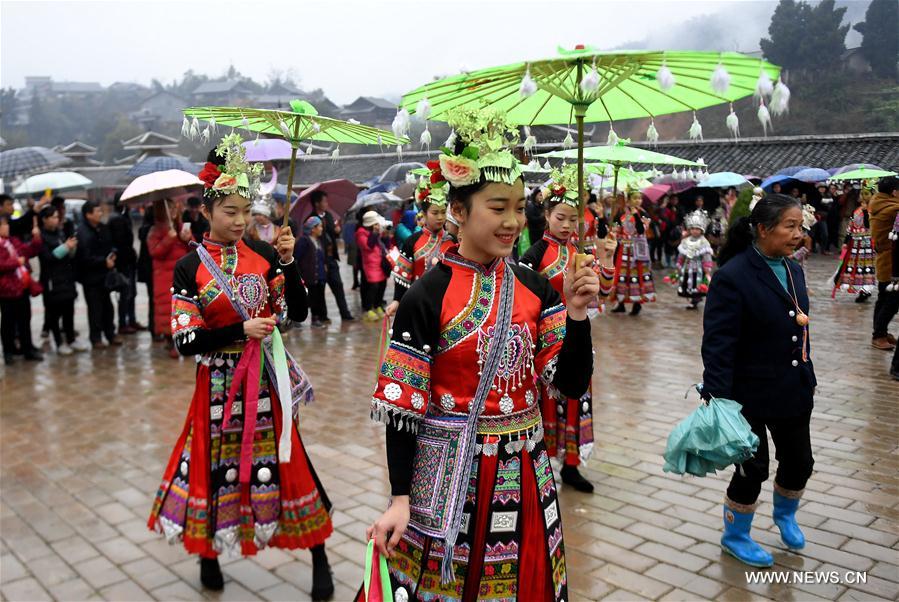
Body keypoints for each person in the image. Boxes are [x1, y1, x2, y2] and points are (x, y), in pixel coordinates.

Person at [365, 107, 597, 601]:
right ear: (460, 210)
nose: (514, 221)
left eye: (518, 206)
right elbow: (402, 411)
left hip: (525, 471)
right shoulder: (425, 296)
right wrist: (400, 498)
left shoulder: (538, 289)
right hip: (450, 476)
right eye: (498, 207)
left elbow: (571, 384)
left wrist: (577, 314)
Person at [147, 135, 334, 600]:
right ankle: (208, 554)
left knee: (290, 463)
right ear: (207, 212)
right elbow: (186, 339)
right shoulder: (191, 267)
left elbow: (297, 313)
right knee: (212, 469)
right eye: (229, 210)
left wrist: (289, 264)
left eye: (245, 210)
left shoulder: (267, 255)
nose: (239, 219)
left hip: (267, 382)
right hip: (216, 384)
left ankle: (318, 555)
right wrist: (239, 331)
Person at [703, 194, 816, 568]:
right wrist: (719, 401)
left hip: (792, 386)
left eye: (800, 226)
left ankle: (785, 515)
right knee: (753, 469)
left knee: (800, 462)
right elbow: (718, 344)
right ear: (764, 229)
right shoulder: (732, 276)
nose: (798, 234)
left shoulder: (794, 269)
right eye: (790, 226)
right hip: (746, 394)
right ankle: (735, 535)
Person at [519, 165, 615, 494]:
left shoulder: (580, 253)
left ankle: (571, 465)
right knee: (545, 405)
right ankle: (540, 465)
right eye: (561, 217)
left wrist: (606, 259)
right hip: (544, 345)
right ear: (546, 215)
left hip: (576, 337)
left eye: (573, 219)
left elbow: (602, 292)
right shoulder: (533, 256)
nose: (566, 225)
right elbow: (524, 301)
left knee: (575, 400)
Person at [385, 175, 450, 318]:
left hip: (449, 305)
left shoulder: (454, 241)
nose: (440, 217)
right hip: (419, 304)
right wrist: (397, 300)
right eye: (435, 213)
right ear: (424, 214)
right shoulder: (412, 242)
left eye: (443, 212)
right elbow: (403, 276)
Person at [38, 206, 88, 355]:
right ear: (44, 220)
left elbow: (68, 256)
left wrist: (71, 248)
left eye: (56, 217)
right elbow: (48, 258)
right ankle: (59, 342)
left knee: (69, 310)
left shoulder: (59, 233)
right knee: (54, 313)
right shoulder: (41, 237)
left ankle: (71, 339)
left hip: (66, 277)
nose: (56, 220)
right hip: (52, 280)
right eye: (52, 217)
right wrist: (65, 247)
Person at [147, 198, 192, 358]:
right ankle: (170, 339)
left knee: (181, 306)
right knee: (166, 308)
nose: (173, 211)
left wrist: (188, 239)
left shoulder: (180, 227)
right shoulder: (155, 230)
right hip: (164, 277)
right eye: (170, 208)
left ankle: (178, 338)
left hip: (180, 274)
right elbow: (155, 251)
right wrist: (169, 238)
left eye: (174, 207)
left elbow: (192, 249)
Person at [76, 200, 122, 348]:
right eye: (97, 211)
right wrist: (103, 261)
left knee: (108, 307)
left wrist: (113, 253)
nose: (100, 213)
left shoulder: (102, 228)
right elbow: (84, 257)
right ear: (88, 214)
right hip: (91, 278)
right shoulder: (82, 232)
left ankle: (110, 334)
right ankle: (96, 338)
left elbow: (112, 243)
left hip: (105, 276)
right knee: (95, 309)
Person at [0, 215, 43, 363]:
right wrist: (15, 262)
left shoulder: (14, 241)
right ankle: (8, 351)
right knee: (8, 324)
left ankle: (27, 349)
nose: (6, 227)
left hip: (22, 287)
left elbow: (30, 251)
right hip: (6, 291)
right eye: (3, 225)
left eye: (6, 224)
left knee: (25, 320)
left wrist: (36, 237)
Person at [310, 190, 354, 321]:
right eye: (324, 201)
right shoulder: (311, 219)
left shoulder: (328, 216)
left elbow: (333, 234)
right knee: (320, 290)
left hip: (331, 257)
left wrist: (337, 231)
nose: (326, 203)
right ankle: (322, 316)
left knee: (338, 285)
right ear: (317, 203)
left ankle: (345, 314)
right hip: (319, 259)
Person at [611, 191, 655, 315]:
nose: (638, 201)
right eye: (635, 198)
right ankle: (620, 303)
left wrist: (636, 215)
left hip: (638, 249)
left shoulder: (643, 214)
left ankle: (637, 303)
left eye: (640, 198)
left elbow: (641, 230)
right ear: (628, 199)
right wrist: (614, 231)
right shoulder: (621, 213)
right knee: (621, 275)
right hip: (623, 248)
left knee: (636, 275)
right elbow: (615, 228)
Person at [869, 176, 899, 355]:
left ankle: (880, 332)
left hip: (884, 259)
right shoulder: (893, 209)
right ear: (894, 192)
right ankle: (878, 335)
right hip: (892, 261)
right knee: (892, 302)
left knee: (883, 299)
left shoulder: (878, 204)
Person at [831, 186, 876, 302]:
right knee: (853, 266)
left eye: (866, 194)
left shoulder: (873, 210)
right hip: (855, 243)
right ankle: (858, 288)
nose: (863, 196)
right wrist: (846, 242)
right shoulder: (856, 210)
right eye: (862, 194)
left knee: (865, 267)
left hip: (866, 243)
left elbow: (868, 225)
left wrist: (866, 211)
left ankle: (866, 291)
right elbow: (850, 227)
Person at [107, 192, 142, 334]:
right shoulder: (117, 219)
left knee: (131, 293)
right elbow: (121, 243)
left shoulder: (124, 216)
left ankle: (131, 320)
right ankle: (123, 323)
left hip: (129, 261)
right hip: (123, 262)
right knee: (125, 293)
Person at [671, 209, 714, 310]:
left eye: (697, 229)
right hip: (686, 268)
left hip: (698, 269)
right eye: (693, 228)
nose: (695, 230)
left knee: (697, 284)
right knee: (687, 284)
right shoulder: (685, 241)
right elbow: (681, 255)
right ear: (689, 229)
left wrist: (707, 269)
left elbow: (707, 257)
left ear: (701, 230)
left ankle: (695, 300)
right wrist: (679, 264)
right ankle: (692, 300)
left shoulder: (704, 242)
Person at [295, 215, 329, 326]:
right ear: (313, 228)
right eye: (319, 226)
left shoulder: (318, 241)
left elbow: (321, 258)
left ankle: (315, 318)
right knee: (306, 298)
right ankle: (297, 318)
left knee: (317, 298)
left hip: (319, 276)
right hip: (308, 276)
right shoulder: (304, 241)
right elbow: (297, 258)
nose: (321, 229)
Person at [356, 211, 389, 321]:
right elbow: (368, 246)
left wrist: (385, 235)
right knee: (373, 286)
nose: (377, 225)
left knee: (382, 284)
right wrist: (375, 233)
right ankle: (368, 309)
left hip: (380, 262)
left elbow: (385, 245)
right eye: (375, 223)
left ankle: (377, 305)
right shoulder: (361, 233)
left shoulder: (377, 232)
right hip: (370, 264)